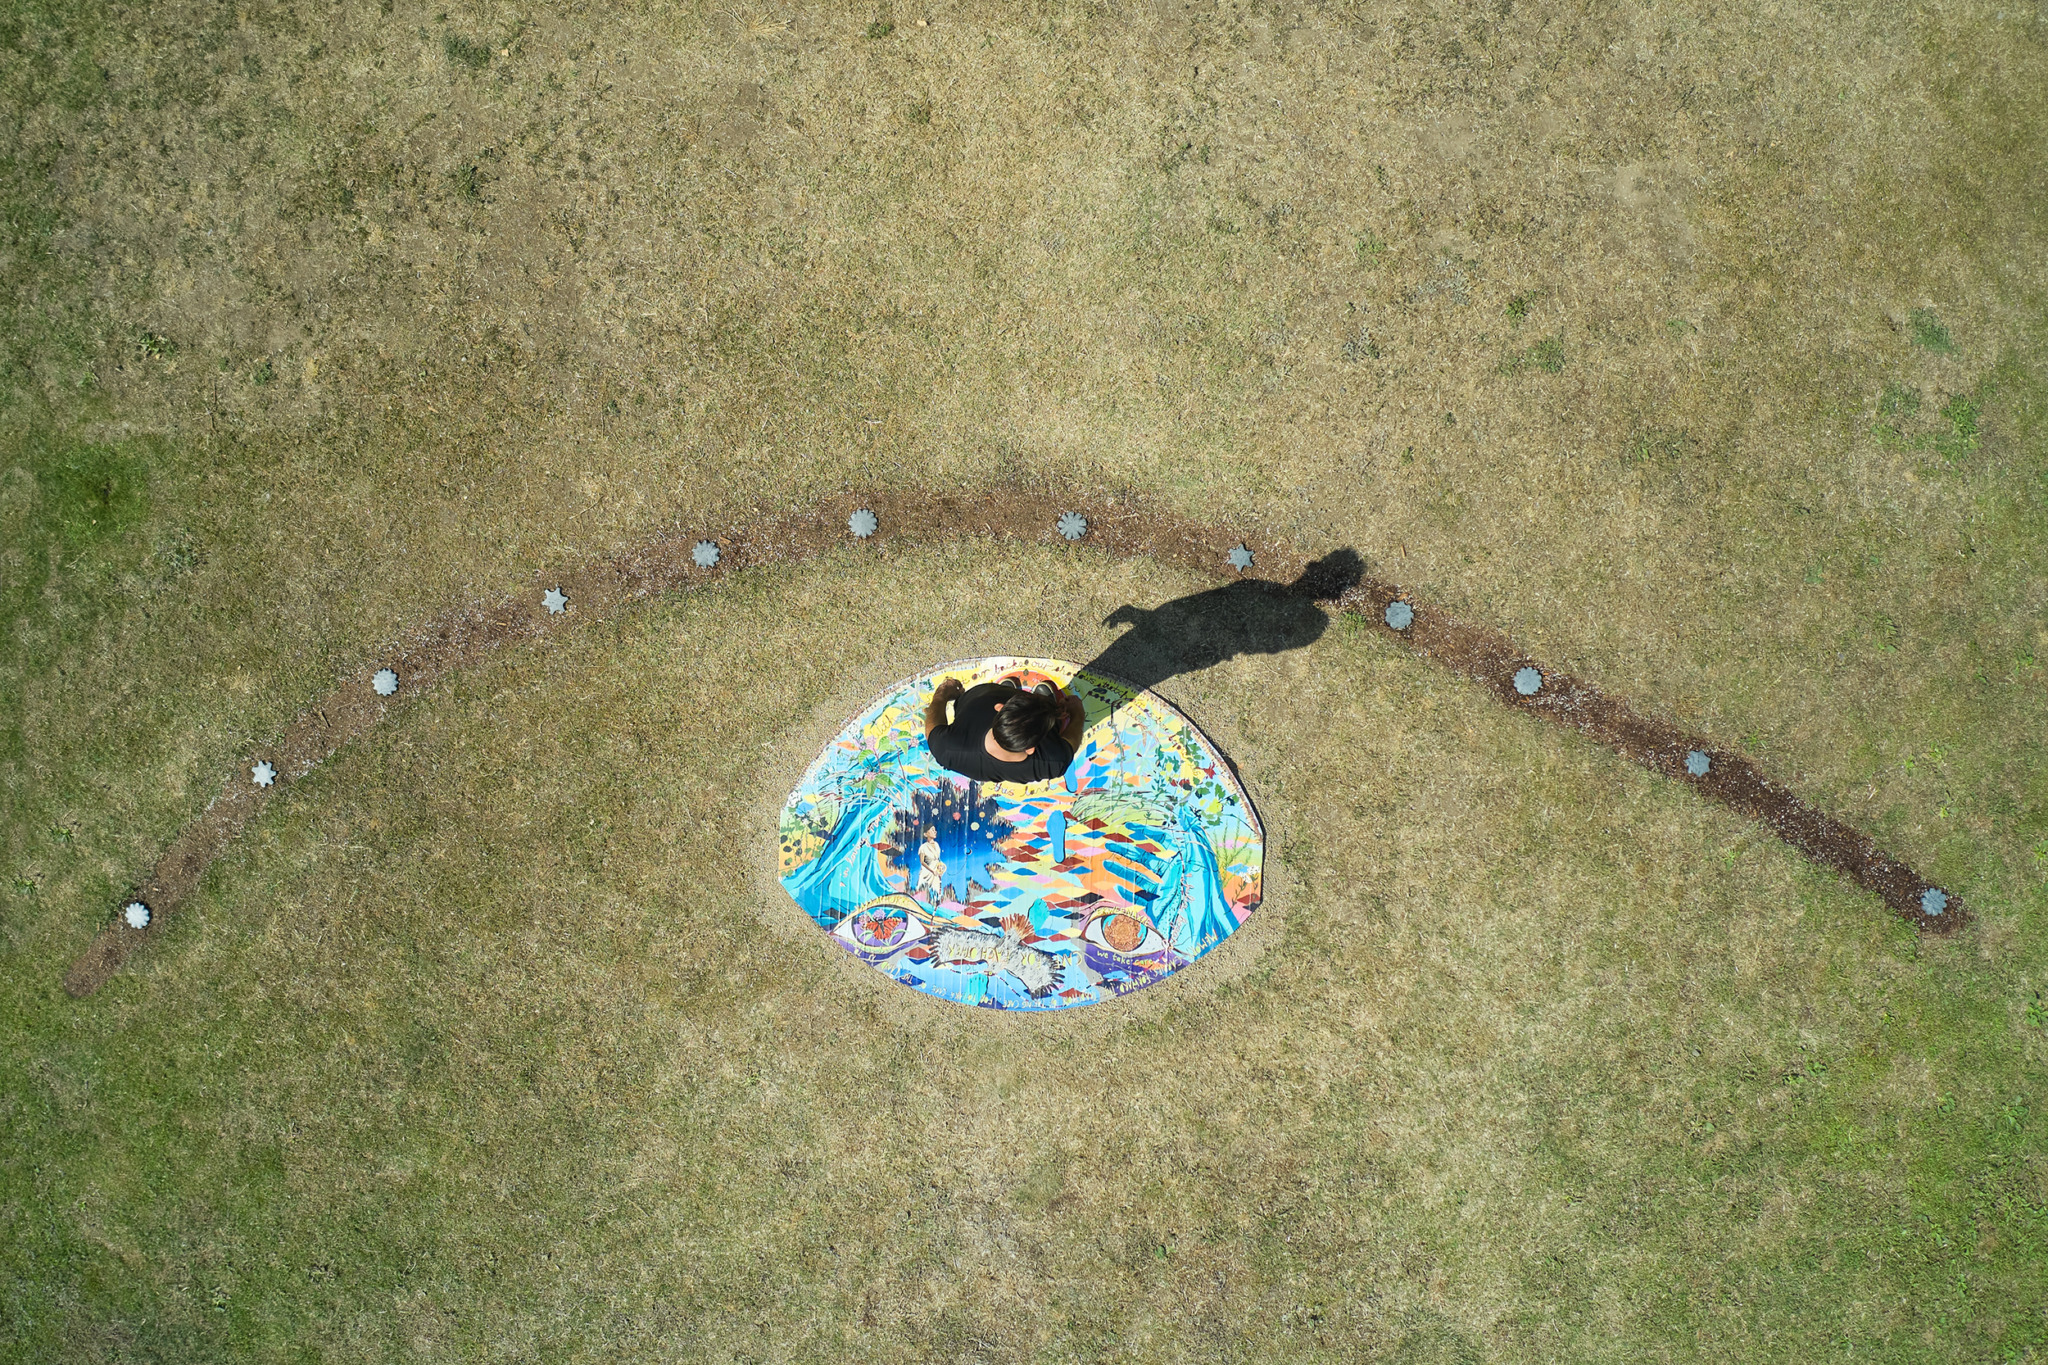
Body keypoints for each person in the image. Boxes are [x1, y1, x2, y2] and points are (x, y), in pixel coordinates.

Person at [923, 675, 1083, 784]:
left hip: (980, 697)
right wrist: (1077, 714)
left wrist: (942, 694)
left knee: (997, 695)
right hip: (995, 695)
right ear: (1030, 749)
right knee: (1052, 720)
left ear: (999, 708)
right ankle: (1040, 703)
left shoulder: (947, 750)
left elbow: (931, 730)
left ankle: (1008, 692)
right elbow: (1071, 741)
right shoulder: (1054, 761)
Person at [913, 825, 946, 903]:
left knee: (936, 892)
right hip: (926, 873)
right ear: (925, 834)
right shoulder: (923, 847)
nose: (935, 831)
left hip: (936, 872)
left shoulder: (937, 845)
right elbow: (922, 862)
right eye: (932, 830)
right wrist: (932, 871)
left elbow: (937, 859)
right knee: (923, 892)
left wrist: (940, 867)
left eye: (935, 830)